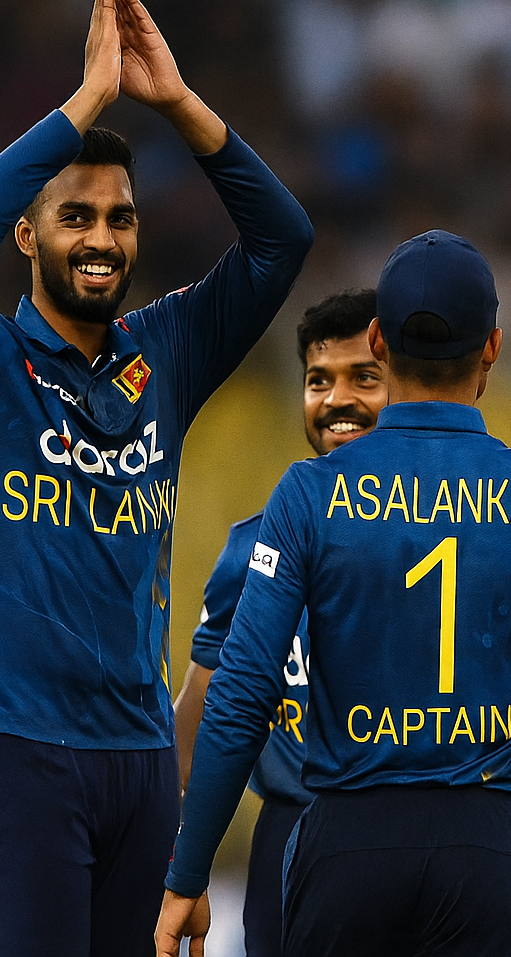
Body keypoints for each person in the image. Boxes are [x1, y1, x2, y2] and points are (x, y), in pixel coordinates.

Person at [0, 0, 313, 956]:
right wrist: (84, 103)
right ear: (28, 232)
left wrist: (175, 102)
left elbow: (281, 240)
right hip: (21, 748)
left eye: (120, 217)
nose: (102, 239)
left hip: (141, 756)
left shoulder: (164, 351)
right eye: (76, 216)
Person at [157, 230, 511, 957]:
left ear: (378, 342)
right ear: (493, 348)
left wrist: (188, 874)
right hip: (493, 844)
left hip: (349, 841)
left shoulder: (308, 494)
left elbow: (241, 695)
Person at [172, 288, 384, 957]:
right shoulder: (251, 547)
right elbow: (196, 724)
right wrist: (178, 855)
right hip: (285, 841)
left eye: (364, 378)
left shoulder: (461, 535)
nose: (336, 400)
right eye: (319, 380)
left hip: (404, 828)